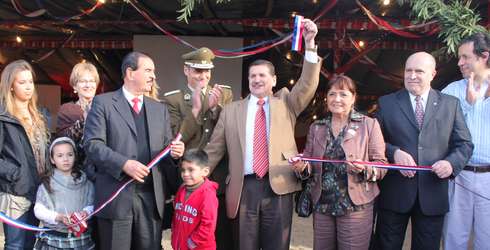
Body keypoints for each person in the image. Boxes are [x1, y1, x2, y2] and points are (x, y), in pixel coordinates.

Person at [204, 18, 321, 250]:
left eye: (262, 76)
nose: (257, 80)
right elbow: (214, 150)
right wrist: (194, 176)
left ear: (274, 80)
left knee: (276, 245)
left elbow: (307, 84)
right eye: (252, 76)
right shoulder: (230, 111)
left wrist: (309, 45)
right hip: (242, 188)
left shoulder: (286, 102)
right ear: (248, 80)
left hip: (278, 186)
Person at [83, 51, 185, 250]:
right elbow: (93, 145)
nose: (153, 76)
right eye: (148, 70)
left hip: (150, 199)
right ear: (130, 73)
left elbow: (165, 149)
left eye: (153, 71)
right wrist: (124, 164)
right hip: (116, 197)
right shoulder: (103, 103)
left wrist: (174, 153)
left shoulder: (159, 109)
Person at [373, 52, 473, 250]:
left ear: (433, 74)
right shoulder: (387, 103)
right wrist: (394, 153)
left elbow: (464, 144)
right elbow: (373, 142)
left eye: (419, 71)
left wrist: (451, 163)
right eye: (408, 70)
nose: (412, 76)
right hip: (394, 193)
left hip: (433, 194)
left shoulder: (450, 104)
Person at [291, 75, 387, 250]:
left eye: (343, 94)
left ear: (353, 98)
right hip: (322, 205)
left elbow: (381, 165)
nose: (337, 99)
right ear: (326, 98)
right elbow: (309, 162)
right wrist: (301, 167)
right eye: (332, 94)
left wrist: (365, 168)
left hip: (355, 206)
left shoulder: (369, 125)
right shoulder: (317, 127)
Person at [162, 47, 233, 249]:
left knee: (219, 233)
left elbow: (227, 129)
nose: (203, 76)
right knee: (188, 230)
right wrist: (197, 111)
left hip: (216, 174)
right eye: (197, 71)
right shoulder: (173, 99)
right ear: (186, 70)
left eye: (207, 71)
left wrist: (214, 108)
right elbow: (177, 137)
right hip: (189, 176)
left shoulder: (224, 93)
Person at [441, 32, 490, 250]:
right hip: (459, 176)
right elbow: (439, 132)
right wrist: (468, 106)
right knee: (454, 238)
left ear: (484, 56)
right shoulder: (452, 91)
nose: (460, 63)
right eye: (459, 58)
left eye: (465, 57)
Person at [0, 59, 49, 250]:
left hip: (38, 190)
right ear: (11, 86)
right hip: (15, 193)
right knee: (15, 245)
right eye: (22, 82)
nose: (28, 87)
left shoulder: (39, 114)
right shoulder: (3, 116)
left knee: (30, 243)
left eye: (30, 82)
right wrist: (16, 173)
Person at [34, 137, 95, 250]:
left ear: (75, 156)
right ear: (52, 159)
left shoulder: (86, 183)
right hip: (54, 239)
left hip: (81, 239)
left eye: (69, 155)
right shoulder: (47, 184)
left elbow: (93, 205)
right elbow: (38, 210)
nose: (65, 159)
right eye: (60, 156)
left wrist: (85, 213)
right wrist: (58, 217)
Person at [56, 61, 100, 181]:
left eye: (92, 81)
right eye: (83, 81)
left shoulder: (106, 107)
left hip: (102, 172)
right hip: (76, 173)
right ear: (75, 86)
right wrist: (84, 121)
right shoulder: (67, 110)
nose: (88, 85)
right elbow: (65, 140)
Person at [171, 149, 218, 250]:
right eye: (183, 170)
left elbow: (208, 225)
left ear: (205, 171)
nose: (185, 174)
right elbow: (176, 216)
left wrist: (192, 242)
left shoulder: (208, 195)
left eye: (191, 170)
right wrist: (174, 237)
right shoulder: (181, 190)